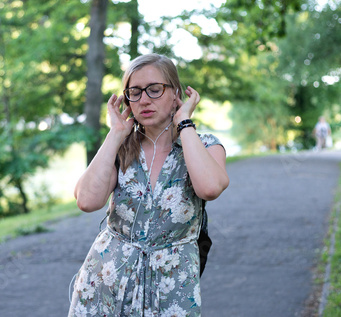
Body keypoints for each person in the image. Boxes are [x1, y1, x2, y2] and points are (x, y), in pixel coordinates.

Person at [68, 53, 229, 316]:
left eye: (155, 89)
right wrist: (116, 133)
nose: (144, 99)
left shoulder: (205, 145)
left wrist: (184, 123)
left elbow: (210, 187)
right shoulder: (121, 149)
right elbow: (86, 201)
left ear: (175, 92)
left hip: (171, 284)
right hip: (107, 280)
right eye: (135, 92)